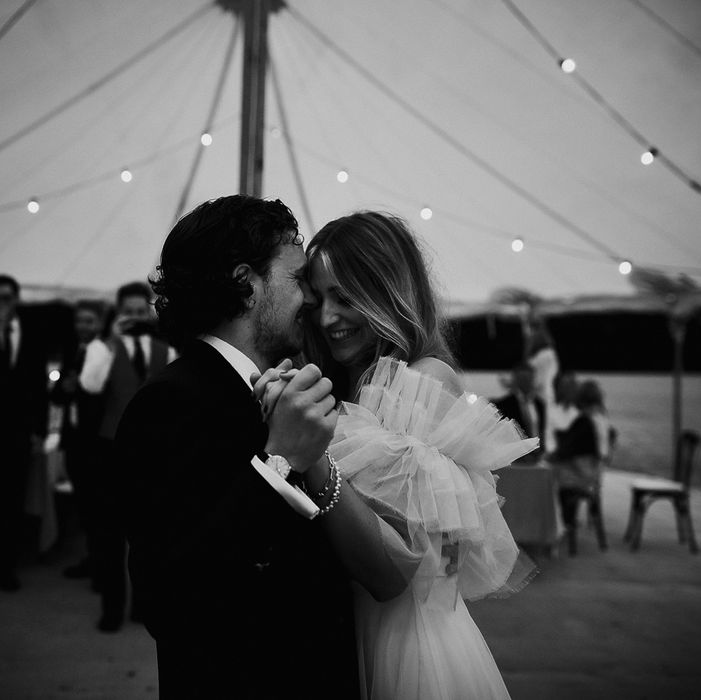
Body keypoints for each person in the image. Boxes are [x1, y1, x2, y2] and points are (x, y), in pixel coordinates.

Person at [115, 195, 407, 698]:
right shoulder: (169, 402)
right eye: (297, 281)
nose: (313, 302)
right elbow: (168, 600)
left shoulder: (281, 390)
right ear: (246, 284)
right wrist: (280, 462)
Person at [283, 211, 539, 700]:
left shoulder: (420, 379)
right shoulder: (353, 379)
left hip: (401, 634)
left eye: (346, 296)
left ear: (388, 291)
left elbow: (426, 553)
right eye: (319, 299)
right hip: (358, 621)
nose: (327, 318)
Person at [79, 282, 176, 631]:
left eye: (140, 311)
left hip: (151, 454)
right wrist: (108, 340)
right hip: (109, 449)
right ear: (119, 314)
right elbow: (89, 385)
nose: (135, 317)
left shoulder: (166, 351)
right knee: (109, 535)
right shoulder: (102, 348)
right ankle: (111, 608)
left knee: (148, 535)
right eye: (129, 312)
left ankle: (142, 604)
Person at [50, 299, 108, 583]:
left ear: (99, 322)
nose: (82, 326)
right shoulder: (72, 351)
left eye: (88, 321)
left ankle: (101, 566)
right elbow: (58, 397)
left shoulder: (107, 353)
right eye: (79, 321)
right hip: (74, 440)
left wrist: (83, 391)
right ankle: (90, 559)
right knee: (84, 505)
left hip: (95, 442)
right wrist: (64, 386)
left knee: (98, 507)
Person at [0, 274, 49, 592]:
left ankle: (7, 566)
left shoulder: (31, 335)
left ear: (17, 300)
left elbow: (38, 387)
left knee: (11, 500)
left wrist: (40, 430)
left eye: (7, 297)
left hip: (17, 432)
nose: (2, 303)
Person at [548, 379, 612, 546]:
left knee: (545, 479)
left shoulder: (585, 420)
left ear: (580, 400)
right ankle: (563, 522)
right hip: (594, 472)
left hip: (581, 473)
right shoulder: (601, 417)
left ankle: (557, 525)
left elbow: (571, 450)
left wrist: (553, 455)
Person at [491, 361, 545, 462]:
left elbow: (541, 430)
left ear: (533, 379)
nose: (525, 382)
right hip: (515, 457)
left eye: (528, 378)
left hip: (537, 456)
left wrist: (542, 450)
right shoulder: (504, 405)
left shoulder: (540, 405)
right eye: (522, 379)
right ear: (516, 380)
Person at [524, 317, 559, 409]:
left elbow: (536, 380)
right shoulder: (549, 353)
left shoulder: (543, 356)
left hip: (542, 397)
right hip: (546, 396)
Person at [544, 369, 579, 455]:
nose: (569, 390)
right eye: (566, 387)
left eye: (572, 387)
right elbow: (548, 437)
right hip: (556, 457)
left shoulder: (581, 412)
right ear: (560, 389)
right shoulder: (550, 410)